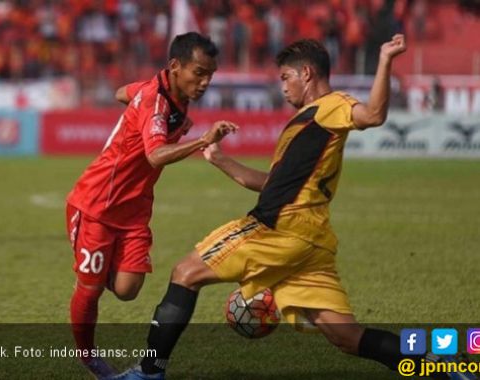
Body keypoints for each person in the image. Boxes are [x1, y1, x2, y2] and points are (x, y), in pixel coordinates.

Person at [111, 34, 474, 380]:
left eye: (286, 77)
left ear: (307, 74)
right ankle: (439, 362)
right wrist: (220, 160)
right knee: (346, 336)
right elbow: (272, 184)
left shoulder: (330, 107)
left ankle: (149, 371)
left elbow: (374, 114)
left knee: (185, 273)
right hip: (311, 242)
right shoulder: (305, 122)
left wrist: (384, 60)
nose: (283, 87)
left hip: (278, 229)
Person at [65, 32, 237, 379]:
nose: (204, 83)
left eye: (210, 75)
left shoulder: (170, 93)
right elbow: (155, 155)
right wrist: (202, 139)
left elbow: (121, 92)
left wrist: (138, 100)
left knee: (128, 291)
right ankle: (88, 358)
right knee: (91, 288)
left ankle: (97, 271)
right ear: (175, 66)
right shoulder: (156, 101)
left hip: (135, 209)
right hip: (98, 202)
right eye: (199, 73)